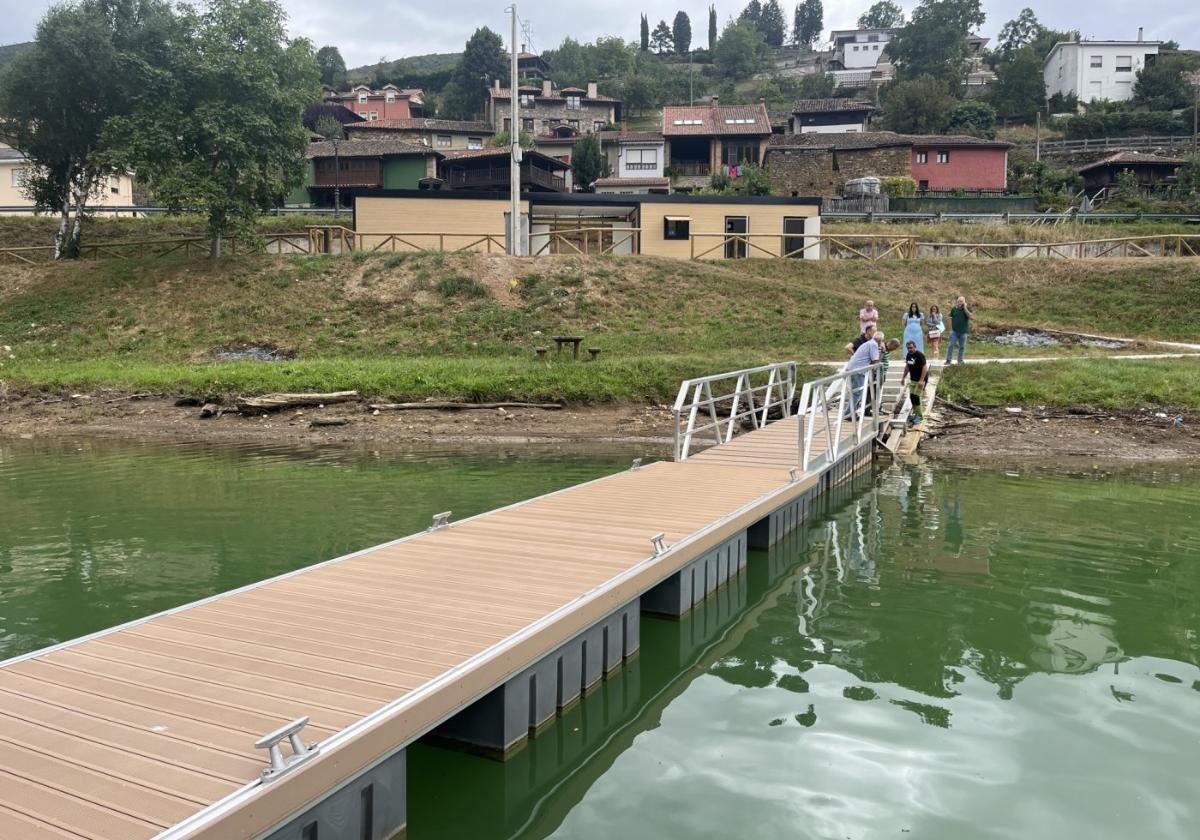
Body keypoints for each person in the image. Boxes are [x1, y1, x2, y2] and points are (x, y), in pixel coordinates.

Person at [843, 332, 881, 419]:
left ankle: (851, 413)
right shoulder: (873, 344)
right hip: (858, 371)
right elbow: (875, 361)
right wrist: (881, 350)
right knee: (857, 393)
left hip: (852, 368)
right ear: (880, 340)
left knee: (855, 392)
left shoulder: (868, 343)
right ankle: (848, 414)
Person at [900, 339, 929, 425]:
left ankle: (920, 416)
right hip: (913, 379)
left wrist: (921, 380)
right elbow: (907, 367)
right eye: (908, 348)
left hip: (921, 380)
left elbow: (924, 368)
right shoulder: (908, 355)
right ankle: (916, 414)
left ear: (915, 347)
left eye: (911, 348)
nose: (910, 349)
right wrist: (903, 377)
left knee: (916, 397)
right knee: (912, 397)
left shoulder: (920, 355)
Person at [946, 296, 973, 364]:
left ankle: (960, 361)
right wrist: (950, 329)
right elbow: (950, 317)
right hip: (954, 331)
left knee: (962, 347)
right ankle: (948, 360)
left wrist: (965, 308)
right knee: (951, 345)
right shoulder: (954, 309)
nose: (959, 303)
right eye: (958, 301)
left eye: (961, 301)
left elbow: (970, 316)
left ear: (964, 302)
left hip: (963, 332)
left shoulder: (968, 308)